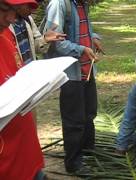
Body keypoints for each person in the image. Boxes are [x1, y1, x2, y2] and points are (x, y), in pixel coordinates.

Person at [44, 0, 104, 173]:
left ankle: (87, 151)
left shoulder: (82, 4)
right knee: (74, 120)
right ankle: (74, 163)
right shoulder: (59, 5)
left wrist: (94, 38)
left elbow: (84, 29)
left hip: (88, 68)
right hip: (71, 73)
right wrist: (82, 49)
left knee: (89, 113)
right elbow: (56, 41)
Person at [0, 0, 45, 179]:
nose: (11, 18)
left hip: (26, 156)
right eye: (4, 9)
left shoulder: (5, 36)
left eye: (15, 12)